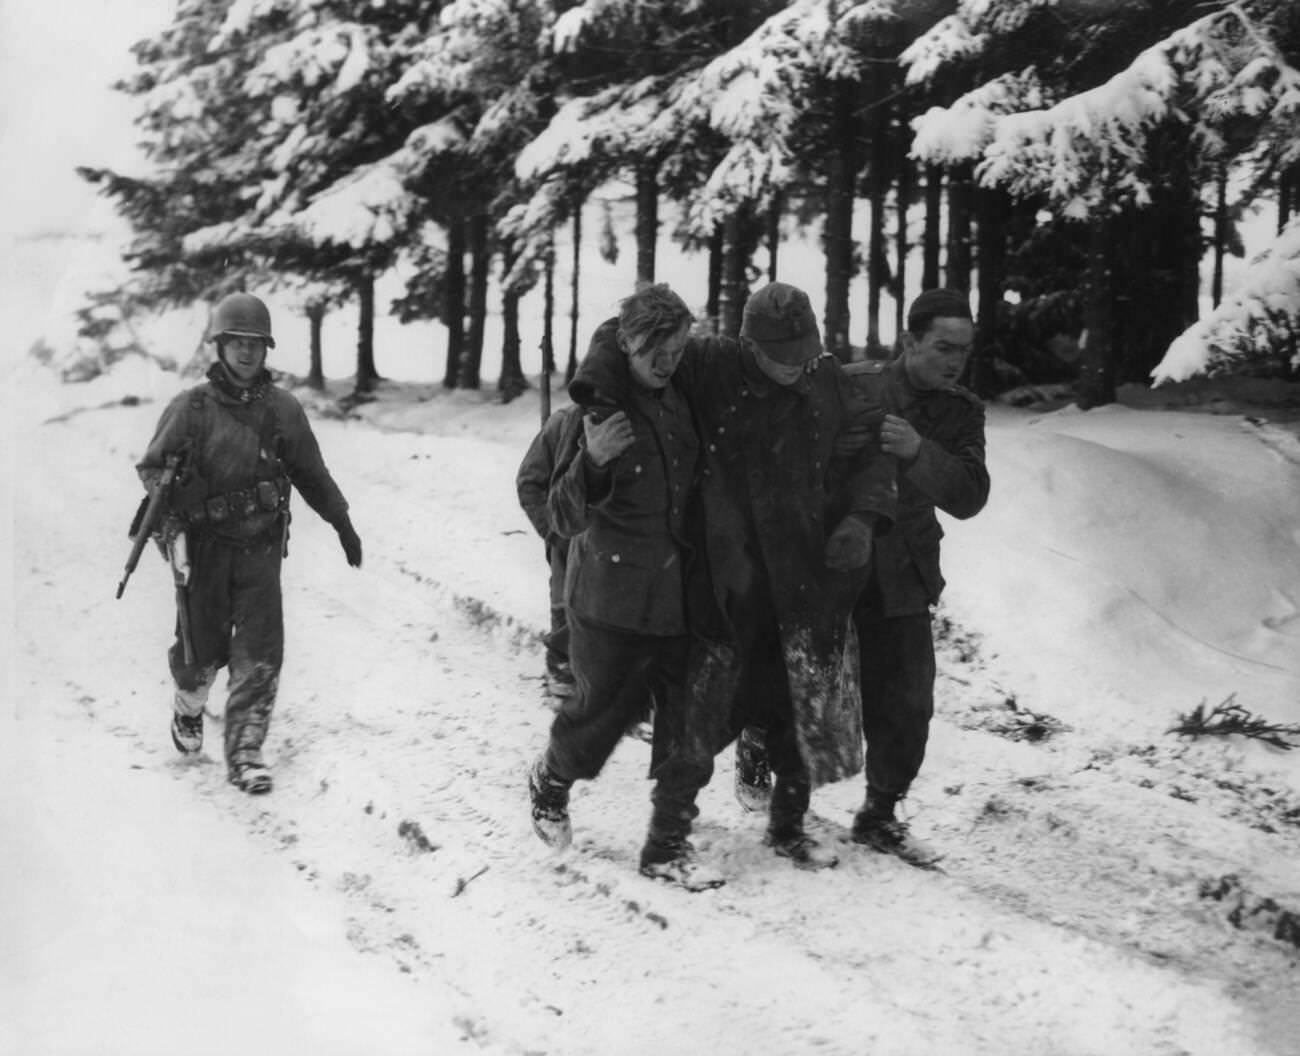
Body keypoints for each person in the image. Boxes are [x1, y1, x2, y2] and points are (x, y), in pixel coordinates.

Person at [642, 281, 896, 881]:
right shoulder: (708, 364)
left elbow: (871, 455)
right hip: (725, 581)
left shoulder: (828, 380)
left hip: (806, 580)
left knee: (797, 709)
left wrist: (861, 519)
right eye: (783, 356)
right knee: (698, 718)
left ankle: (788, 826)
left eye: (805, 353)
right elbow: (619, 344)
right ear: (749, 344)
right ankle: (665, 843)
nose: (796, 367)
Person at [737, 288, 990, 868]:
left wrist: (918, 450)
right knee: (813, 693)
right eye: (942, 347)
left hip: (902, 574)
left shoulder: (961, 411)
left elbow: (970, 496)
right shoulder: (853, 383)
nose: (954, 361)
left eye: (964, 350)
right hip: (831, 562)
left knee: (907, 703)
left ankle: (879, 815)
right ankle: (786, 819)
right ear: (910, 341)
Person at [136, 292, 362, 794]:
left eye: (254, 344)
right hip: (206, 548)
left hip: (260, 547)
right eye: (235, 342)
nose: (245, 353)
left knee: (260, 653)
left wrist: (341, 520)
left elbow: (310, 472)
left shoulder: (282, 410)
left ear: (266, 350)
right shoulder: (190, 408)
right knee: (201, 655)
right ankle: (189, 706)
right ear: (219, 346)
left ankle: (245, 752)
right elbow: (152, 467)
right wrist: (173, 492)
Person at [526, 284, 709, 883]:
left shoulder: (681, 398)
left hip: (677, 596)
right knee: (599, 721)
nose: (667, 361)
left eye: (677, 348)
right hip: (608, 601)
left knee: (688, 725)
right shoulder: (593, 415)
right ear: (627, 342)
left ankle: (667, 848)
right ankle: (552, 778)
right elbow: (560, 517)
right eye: (655, 348)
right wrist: (593, 461)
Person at [515, 404, 584, 697]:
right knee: (566, 610)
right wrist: (555, 532)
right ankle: (562, 670)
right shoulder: (564, 424)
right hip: (569, 546)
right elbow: (530, 483)